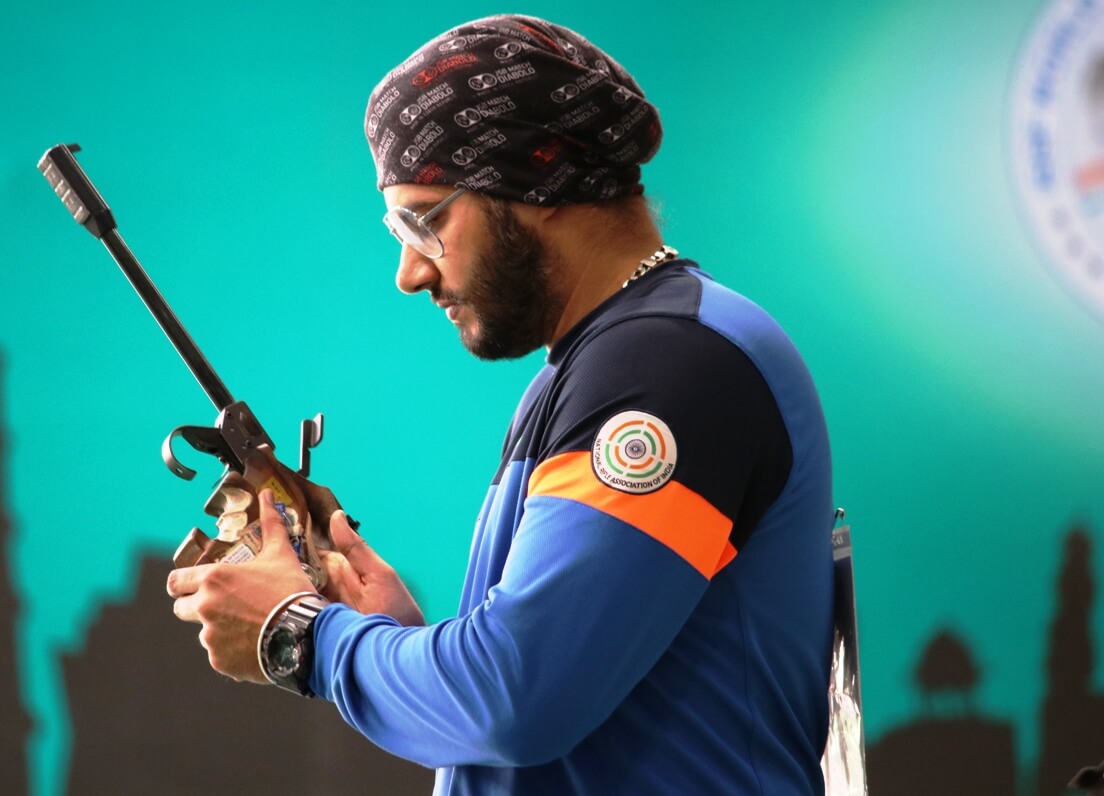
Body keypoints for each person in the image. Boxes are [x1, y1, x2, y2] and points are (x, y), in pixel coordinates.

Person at [167, 14, 835, 795]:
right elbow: (524, 715)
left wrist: (301, 636)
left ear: (537, 182)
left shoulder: (668, 369)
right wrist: (396, 642)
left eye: (426, 220)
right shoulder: (600, 364)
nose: (409, 273)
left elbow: (516, 700)